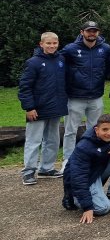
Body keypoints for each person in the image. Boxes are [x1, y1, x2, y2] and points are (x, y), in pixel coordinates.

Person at [61, 114, 110, 224]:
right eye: (105, 129)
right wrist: (88, 207)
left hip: (97, 172)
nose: (109, 133)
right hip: (84, 179)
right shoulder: (84, 147)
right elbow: (78, 177)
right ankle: (71, 197)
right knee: (102, 208)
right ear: (96, 129)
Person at [19, 32, 68, 185]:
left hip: (55, 107)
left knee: (52, 139)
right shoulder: (33, 62)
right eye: (48, 43)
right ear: (41, 44)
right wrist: (29, 107)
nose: (52, 46)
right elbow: (25, 86)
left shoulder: (61, 60)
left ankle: (46, 168)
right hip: (37, 109)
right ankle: (28, 171)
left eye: (54, 43)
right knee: (33, 141)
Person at [62, 21, 110, 170]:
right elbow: (58, 65)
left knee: (96, 129)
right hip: (75, 96)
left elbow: (109, 67)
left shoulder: (105, 48)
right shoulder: (71, 49)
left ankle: (91, 157)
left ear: (98, 32)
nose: (92, 33)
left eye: (94, 31)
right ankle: (68, 160)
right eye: (89, 31)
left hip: (96, 96)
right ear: (82, 32)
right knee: (70, 130)